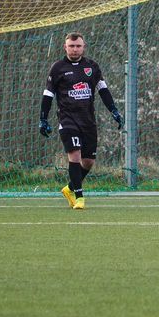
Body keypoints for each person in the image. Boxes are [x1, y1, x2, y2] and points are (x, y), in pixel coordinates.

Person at [39, 32, 123, 209]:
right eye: (71, 46)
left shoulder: (91, 66)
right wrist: (43, 119)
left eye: (78, 46)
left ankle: (70, 188)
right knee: (75, 155)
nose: (75, 49)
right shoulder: (58, 68)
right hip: (68, 119)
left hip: (88, 120)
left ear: (84, 47)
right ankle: (79, 198)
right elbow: (48, 94)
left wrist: (114, 110)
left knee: (88, 161)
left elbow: (103, 90)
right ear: (65, 47)